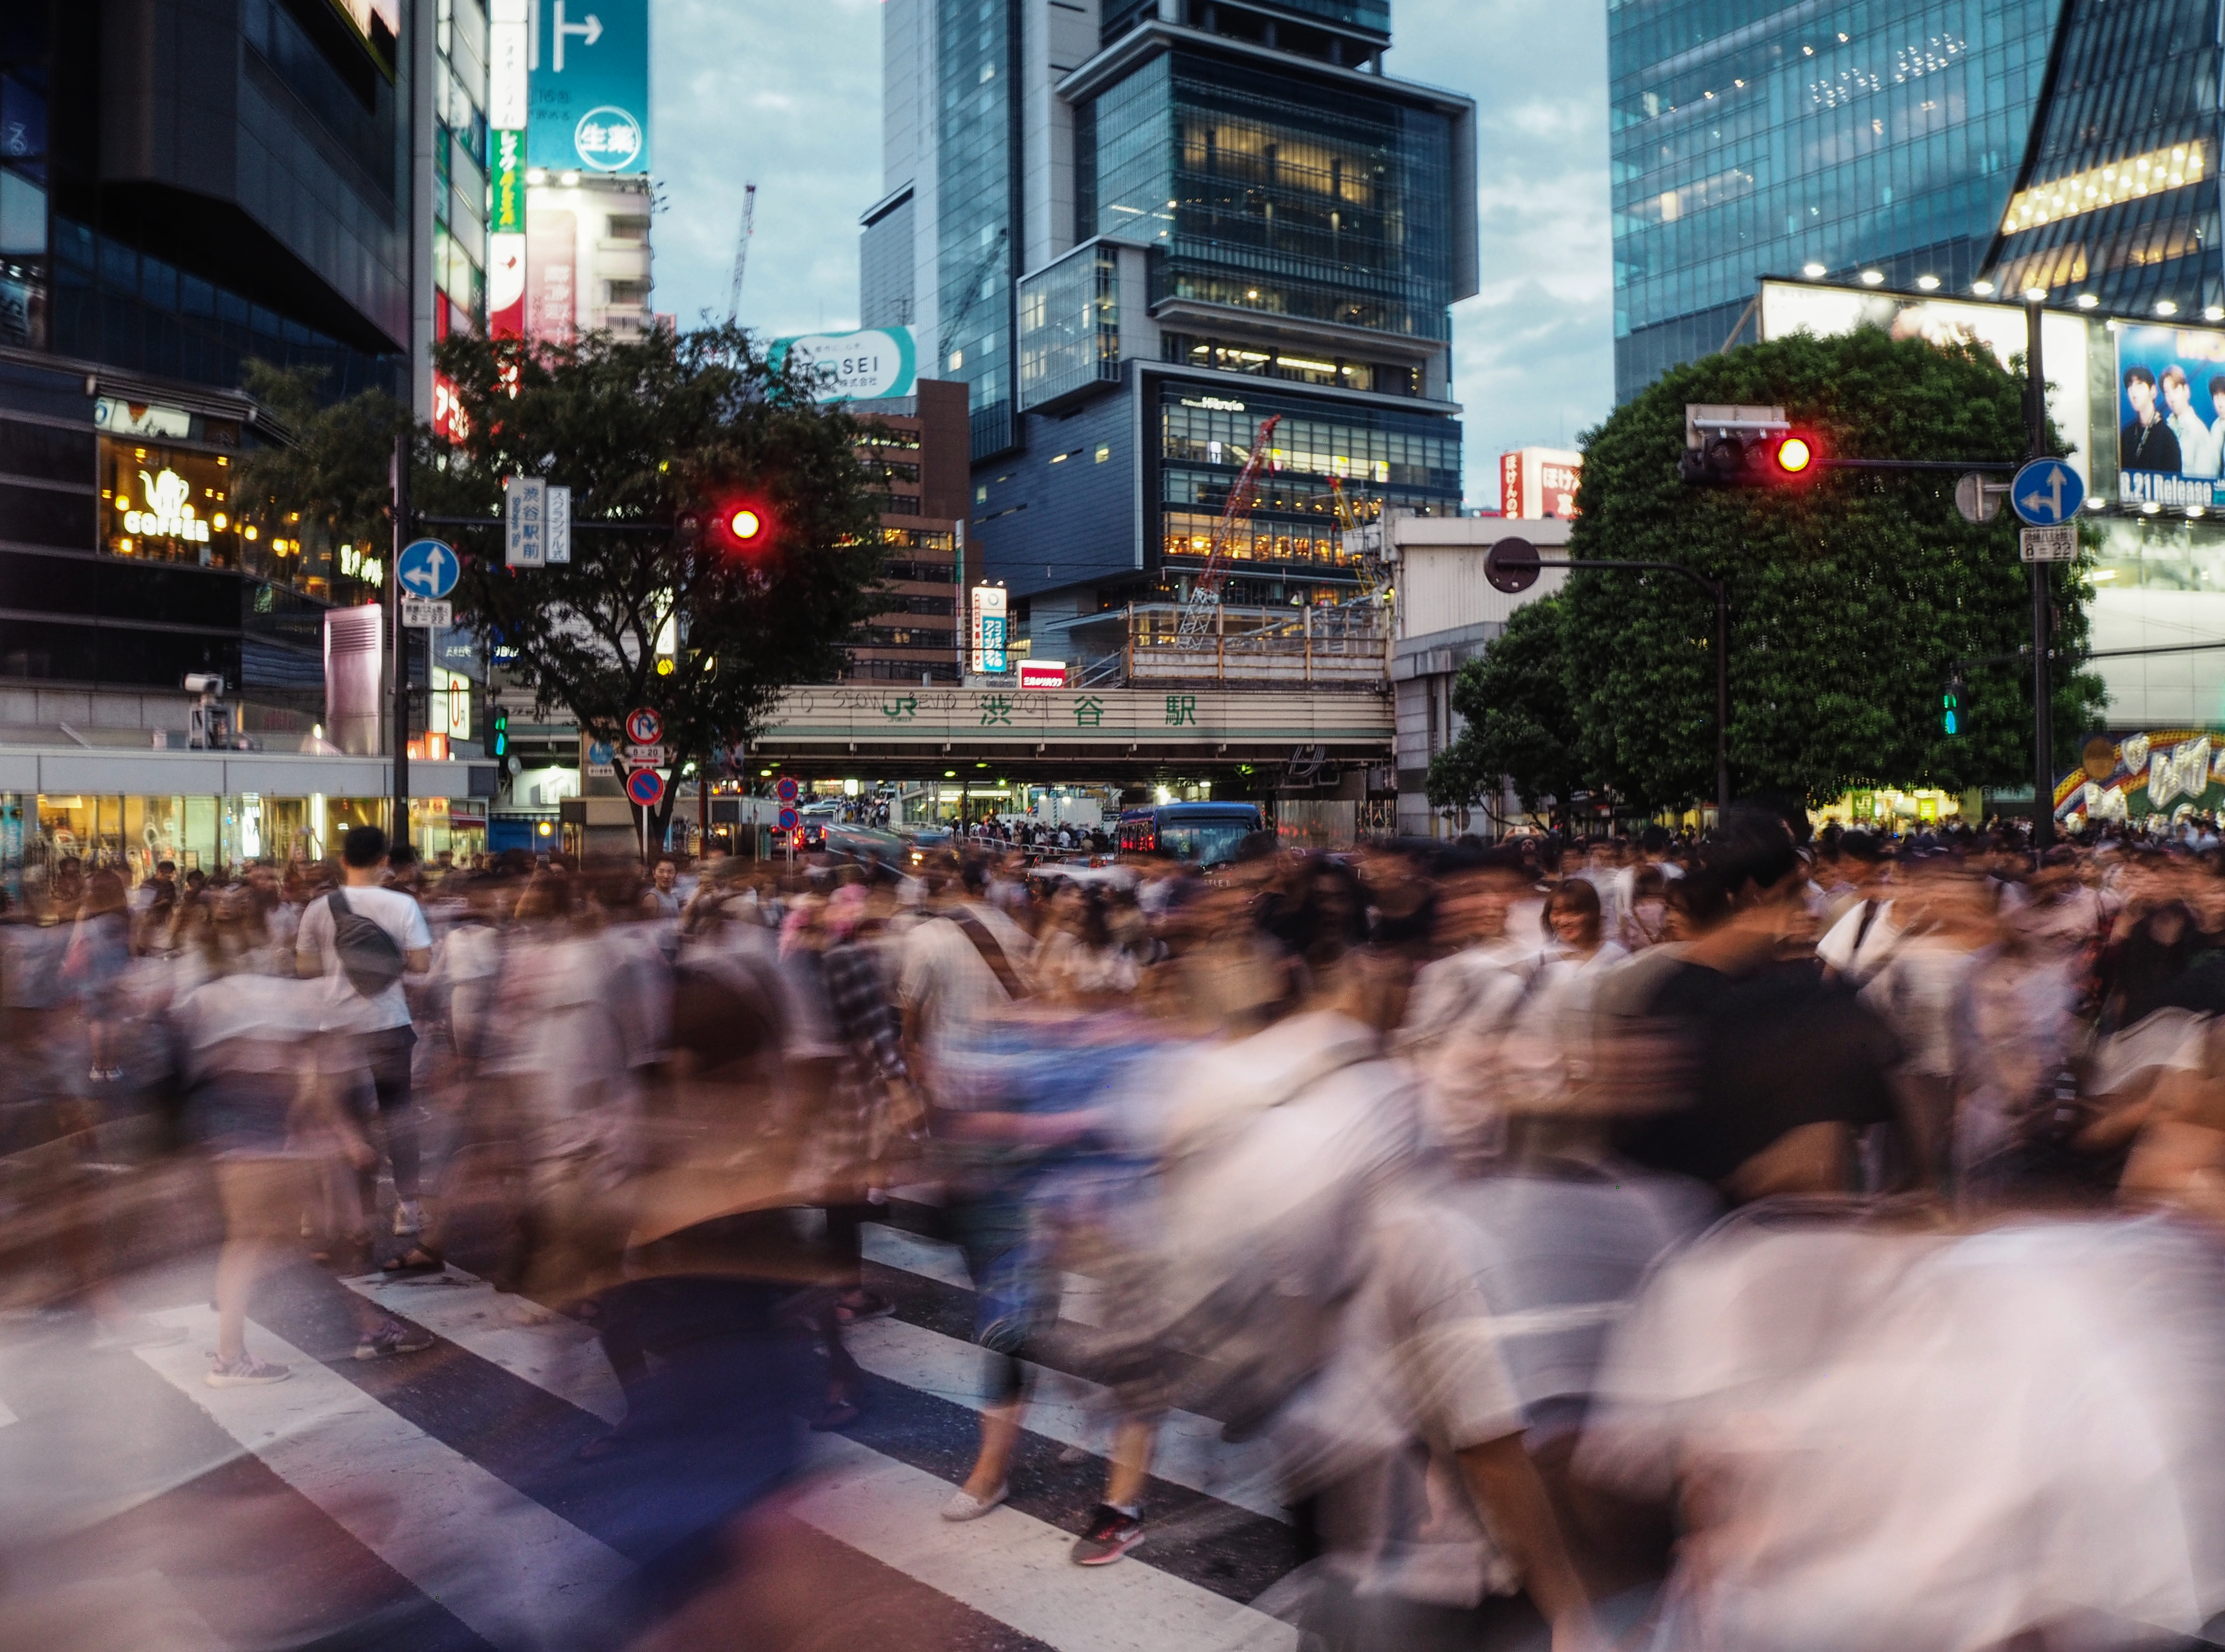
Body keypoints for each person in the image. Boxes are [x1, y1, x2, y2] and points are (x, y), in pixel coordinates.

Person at [296, 825, 439, 1293]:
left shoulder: (320, 908)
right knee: (398, 1116)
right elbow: (422, 965)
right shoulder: (402, 905)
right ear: (383, 861)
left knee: (346, 1127)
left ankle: (353, 1218)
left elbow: (305, 969)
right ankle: (408, 1208)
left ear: (342, 860)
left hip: (336, 1029)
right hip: (388, 1024)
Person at [2123, 364, 2183, 474]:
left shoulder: (2167, 438)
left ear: (2153, 391)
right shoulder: (2127, 435)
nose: (2134, 393)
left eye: (2139, 385)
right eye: (2130, 386)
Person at [2164, 364, 2212, 477]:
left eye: (2175, 389)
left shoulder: (2198, 431)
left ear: (2186, 391)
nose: (2171, 398)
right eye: (2167, 392)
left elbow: (2205, 479)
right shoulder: (2167, 428)